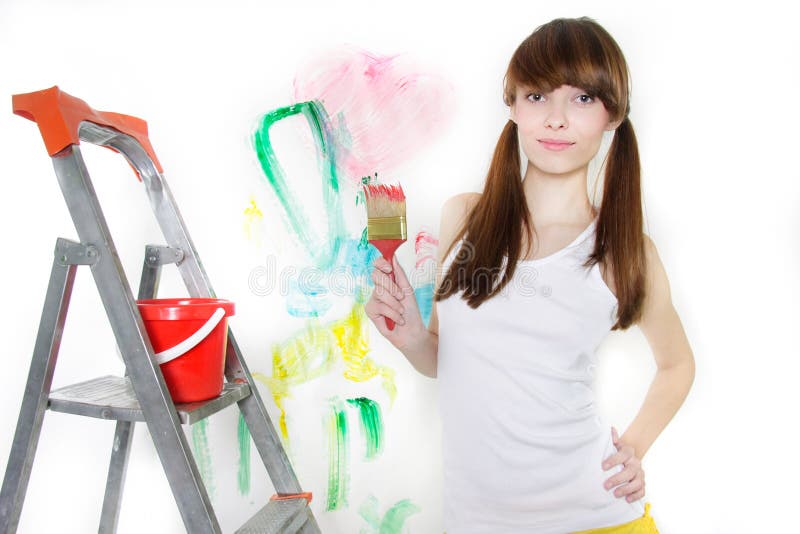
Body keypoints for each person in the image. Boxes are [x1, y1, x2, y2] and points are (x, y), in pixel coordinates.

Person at [365, 16, 695, 534]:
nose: (556, 119)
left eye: (583, 98)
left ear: (613, 115)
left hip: (596, 518)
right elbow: (447, 360)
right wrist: (410, 337)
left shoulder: (625, 252)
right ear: (514, 106)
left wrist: (632, 448)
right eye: (537, 96)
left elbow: (677, 365)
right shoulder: (463, 218)